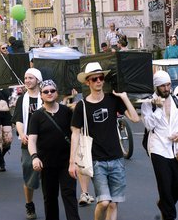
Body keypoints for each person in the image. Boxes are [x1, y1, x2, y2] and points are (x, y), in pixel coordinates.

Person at [69, 62, 140, 220]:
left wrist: (124, 98)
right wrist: (71, 162)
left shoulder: (112, 100)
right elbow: (75, 134)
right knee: (104, 202)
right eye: (94, 79)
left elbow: (135, 118)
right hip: (96, 161)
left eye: (101, 78)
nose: (99, 81)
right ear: (88, 82)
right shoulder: (82, 106)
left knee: (114, 204)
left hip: (116, 159)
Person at [28, 80, 80, 220]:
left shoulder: (67, 112)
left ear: (56, 93)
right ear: (41, 95)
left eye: (52, 91)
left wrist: (74, 160)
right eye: (46, 91)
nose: (49, 93)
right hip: (47, 164)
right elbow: (32, 140)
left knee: (69, 195)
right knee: (50, 198)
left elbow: (75, 133)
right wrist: (34, 157)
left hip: (66, 163)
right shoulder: (37, 116)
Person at [141, 70, 178, 220]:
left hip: (175, 148)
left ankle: (163, 204)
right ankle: (169, 215)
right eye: (163, 86)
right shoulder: (148, 103)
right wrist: (159, 108)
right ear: (157, 87)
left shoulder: (176, 100)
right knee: (165, 186)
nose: (166, 88)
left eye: (168, 84)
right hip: (158, 148)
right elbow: (148, 125)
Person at [12, 68, 43, 219]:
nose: (27, 80)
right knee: (29, 174)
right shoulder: (21, 99)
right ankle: (29, 204)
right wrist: (22, 133)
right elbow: (18, 119)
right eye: (25, 78)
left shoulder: (46, 96)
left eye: (31, 78)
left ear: (38, 80)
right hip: (27, 142)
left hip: (46, 142)